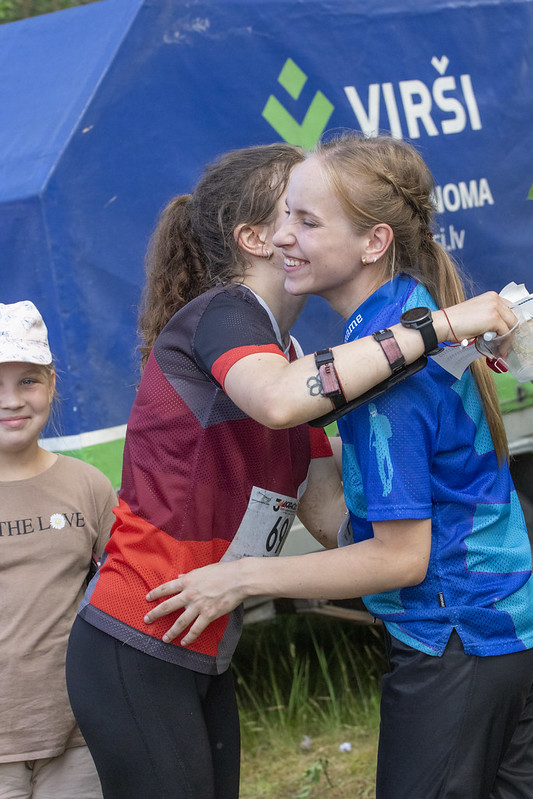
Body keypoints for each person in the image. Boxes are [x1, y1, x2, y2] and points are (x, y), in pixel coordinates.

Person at [66, 141, 516, 799]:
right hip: (141, 630)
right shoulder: (227, 314)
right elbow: (280, 401)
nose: (292, 233)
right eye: (291, 212)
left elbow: (329, 509)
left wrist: (436, 537)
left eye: (311, 216)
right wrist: (439, 326)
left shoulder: (292, 352)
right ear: (255, 238)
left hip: (203, 633)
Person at [0, 300, 117, 799]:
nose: (11, 401)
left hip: (79, 738)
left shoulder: (87, 485)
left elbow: (127, 589)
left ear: (51, 384)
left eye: (27, 381)